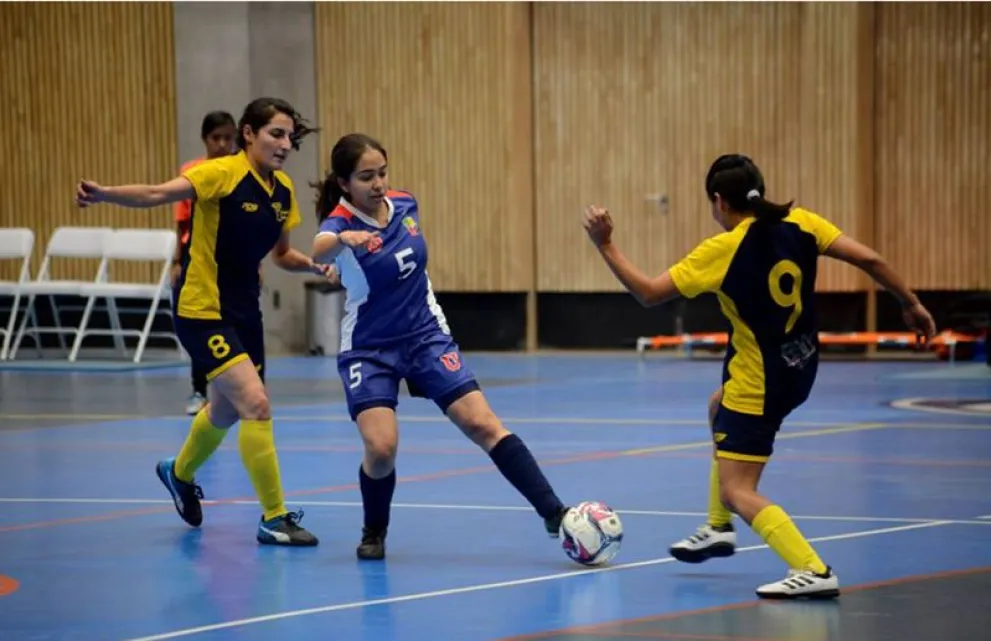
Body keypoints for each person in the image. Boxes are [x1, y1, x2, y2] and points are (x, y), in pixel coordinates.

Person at [583, 153, 936, 599]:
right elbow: (871, 259)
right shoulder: (801, 222)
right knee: (717, 406)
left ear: (718, 201)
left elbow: (649, 293)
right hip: (801, 366)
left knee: (739, 491)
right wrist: (911, 303)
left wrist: (606, 244)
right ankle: (718, 529)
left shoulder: (724, 249)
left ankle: (811, 567)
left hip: (760, 384)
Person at [76, 97, 333, 547]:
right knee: (257, 403)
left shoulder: (283, 191)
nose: (285, 143)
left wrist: (314, 266)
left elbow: (281, 255)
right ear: (248, 133)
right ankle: (274, 518)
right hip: (201, 309)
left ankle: (178, 473)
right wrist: (105, 194)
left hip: (243, 312)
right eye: (275, 133)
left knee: (227, 409)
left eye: (290, 136)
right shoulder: (221, 173)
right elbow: (158, 193)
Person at [311, 133, 572, 560]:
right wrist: (343, 242)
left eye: (382, 173)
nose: (377, 184)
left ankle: (554, 513)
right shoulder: (340, 223)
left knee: (484, 425)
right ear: (344, 183)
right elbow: (320, 244)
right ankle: (374, 529)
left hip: (425, 335)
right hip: (369, 347)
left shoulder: (406, 204)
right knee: (381, 448)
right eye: (365, 177)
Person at [173, 110, 238, 416]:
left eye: (228, 137)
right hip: (196, 257)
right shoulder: (193, 171)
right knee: (200, 323)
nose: (222, 144)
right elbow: (182, 221)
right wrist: (177, 261)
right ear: (205, 139)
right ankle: (199, 390)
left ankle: (234, 390)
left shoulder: (242, 172)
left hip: (231, 260)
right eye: (216, 138)